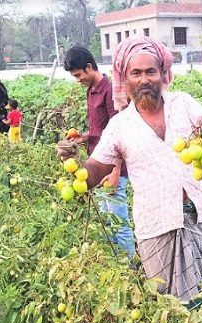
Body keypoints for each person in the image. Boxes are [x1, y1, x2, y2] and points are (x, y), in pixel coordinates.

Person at [58, 37, 202, 308]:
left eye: (151, 71)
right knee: (169, 308)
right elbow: (95, 171)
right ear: (125, 80)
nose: (144, 79)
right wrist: (76, 163)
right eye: (135, 73)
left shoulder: (183, 104)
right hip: (155, 227)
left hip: (194, 218)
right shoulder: (120, 125)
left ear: (163, 74)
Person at [57, 46, 136, 260]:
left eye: (79, 74)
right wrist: (82, 138)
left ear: (89, 67)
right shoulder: (91, 90)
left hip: (111, 169)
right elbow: (99, 130)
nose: (78, 79)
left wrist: (115, 172)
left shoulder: (111, 91)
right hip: (96, 164)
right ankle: (117, 264)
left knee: (119, 221)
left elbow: (121, 132)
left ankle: (131, 267)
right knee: (108, 220)